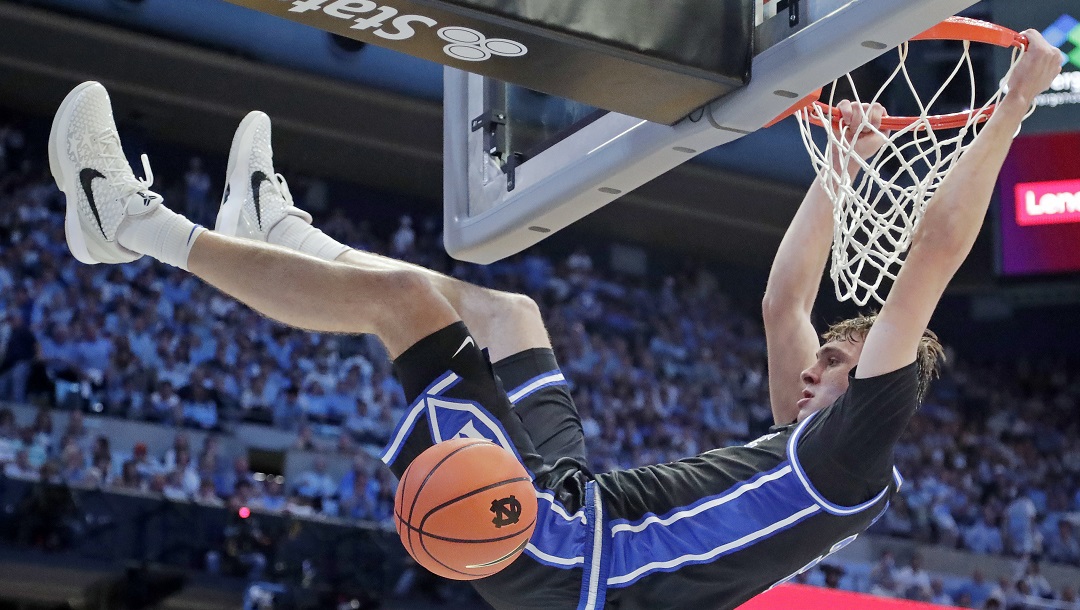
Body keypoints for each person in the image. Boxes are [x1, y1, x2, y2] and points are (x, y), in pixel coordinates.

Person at [47, 32, 1060, 609]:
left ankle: (131, 224)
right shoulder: (804, 444)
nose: (812, 370)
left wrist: (1009, 110)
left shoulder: (852, 457)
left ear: (877, 391)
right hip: (583, 510)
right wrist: (844, 161)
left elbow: (930, 256)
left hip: (576, 562)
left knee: (406, 308)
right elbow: (783, 300)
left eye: (837, 366)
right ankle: (281, 232)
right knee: (506, 308)